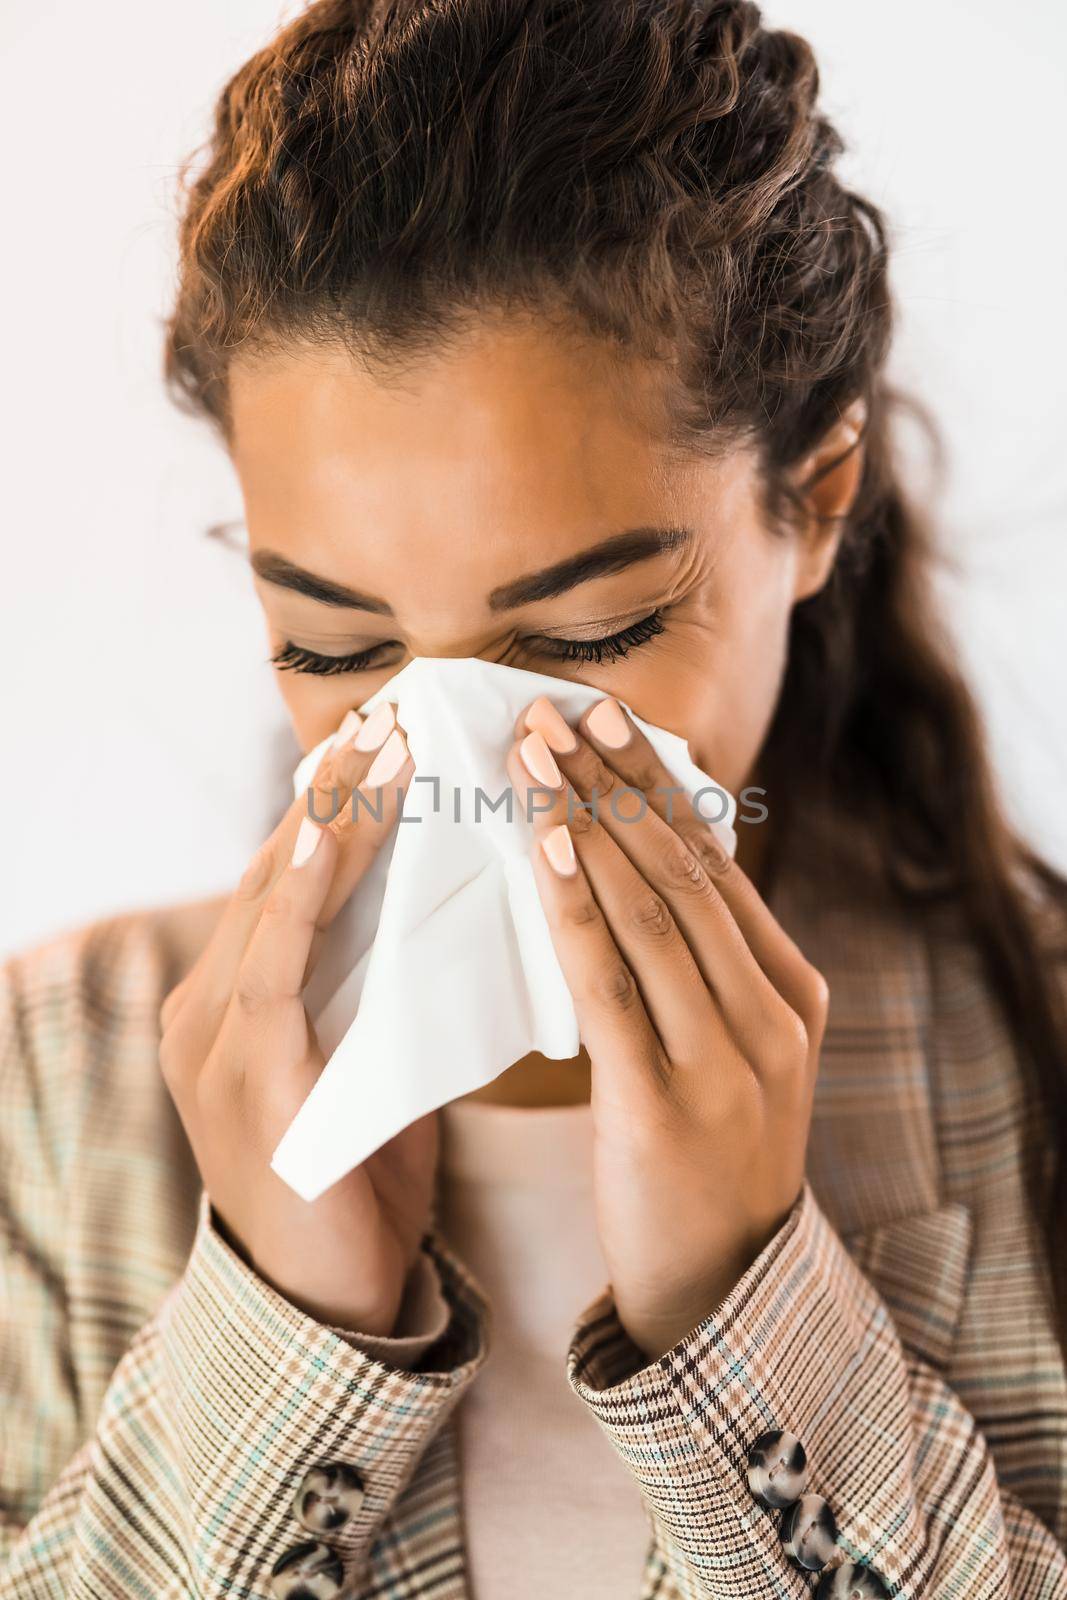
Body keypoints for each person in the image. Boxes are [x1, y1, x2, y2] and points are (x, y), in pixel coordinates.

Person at [2, 1, 1066, 1596]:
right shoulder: (58, 1081)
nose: (461, 747)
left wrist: (741, 1309)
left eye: (584, 639)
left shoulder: (1031, 1042)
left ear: (815, 498)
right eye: (336, 642)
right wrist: (286, 1335)